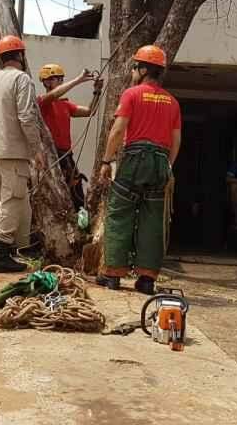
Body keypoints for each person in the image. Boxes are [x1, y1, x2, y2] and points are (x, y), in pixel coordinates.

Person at [97, 45, 182, 295]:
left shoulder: (132, 94)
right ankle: (146, 279)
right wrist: (167, 167)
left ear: (143, 69)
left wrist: (106, 160)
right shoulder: (172, 101)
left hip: (135, 159)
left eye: (135, 67)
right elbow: (176, 141)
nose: (133, 71)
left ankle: (113, 275)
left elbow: (118, 129)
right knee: (153, 220)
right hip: (160, 162)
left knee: (119, 212)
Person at [0, 35, 43, 273]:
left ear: (0, 57)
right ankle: (0, 256)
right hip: (14, 153)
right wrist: (36, 149)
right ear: (20, 55)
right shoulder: (22, 79)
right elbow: (27, 117)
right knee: (11, 202)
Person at [37, 64, 104, 210]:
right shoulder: (42, 102)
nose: (61, 82)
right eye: (57, 79)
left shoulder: (65, 105)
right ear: (46, 82)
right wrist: (78, 80)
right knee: (56, 195)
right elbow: (54, 94)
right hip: (51, 156)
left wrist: (97, 91)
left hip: (66, 156)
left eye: (62, 79)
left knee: (76, 192)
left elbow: (89, 111)